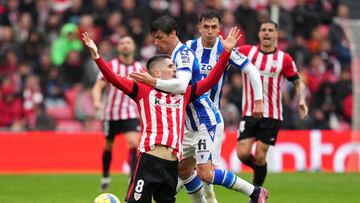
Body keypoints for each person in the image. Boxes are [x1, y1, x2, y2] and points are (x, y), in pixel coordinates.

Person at [83, 27, 268, 203]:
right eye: (171, 66)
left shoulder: (184, 93)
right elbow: (113, 79)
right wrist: (97, 56)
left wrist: (226, 52)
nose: (175, 69)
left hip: (171, 164)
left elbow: (210, 80)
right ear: (157, 72)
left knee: (185, 178)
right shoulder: (142, 90)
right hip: (149, 159)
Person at [184, 9, 264, 202]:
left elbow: (251, 70)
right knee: (185, 170)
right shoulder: (188, 47)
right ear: (199, 28)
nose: (210, 31)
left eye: (214, 27)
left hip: (210, 118)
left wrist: (259, 100)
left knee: (206, 174)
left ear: (220, 28)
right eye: (206, 27)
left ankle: (255, 191)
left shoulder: (224, 49)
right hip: (187, 119)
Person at [236, 20, 308, 192]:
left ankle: (257, 191)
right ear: (259, 34)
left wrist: (302, 100)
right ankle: (260, 171)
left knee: (260, 155)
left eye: (270, 30)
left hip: (272, 115)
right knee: (242, 154)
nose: (267, 33)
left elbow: (299, 83)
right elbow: (225, 57)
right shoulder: (246, 52)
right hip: (249, 112)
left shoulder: (284, 59)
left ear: (276, 34)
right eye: (264, 30)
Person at [92, 36, 142, 191]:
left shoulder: (139, 68)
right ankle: (106, 176)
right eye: (122, 43)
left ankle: (131, 179)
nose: (125, 45)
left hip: (130, 112)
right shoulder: (111, 65)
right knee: (108, 146)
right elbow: (98, 86)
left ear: (134, 47)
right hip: (110, 114)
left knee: (134, 143)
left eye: (128, 42)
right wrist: (97, 101)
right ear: (118, 47)